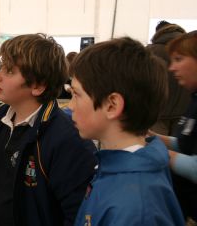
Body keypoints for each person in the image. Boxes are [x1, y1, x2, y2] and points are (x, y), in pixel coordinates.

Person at [0, 34, 97, 226]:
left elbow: (77, 213)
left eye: (9, 71)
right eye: (1, 67)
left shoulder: (68, 140)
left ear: (38, 86)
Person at [69, 37, 184, 226]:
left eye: (76, 94)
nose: (71, 106)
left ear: (112, 105)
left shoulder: (135, 208)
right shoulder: (120, 166)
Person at [151, 30, 197, 222]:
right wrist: (152, 137)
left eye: (179, 59)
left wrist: (152, 150)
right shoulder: (194, 100)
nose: (172, 68)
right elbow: (186, 144)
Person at [146, 21, 189, 135]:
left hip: (157, 112)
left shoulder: (150, 51)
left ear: (158, 33)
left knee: (156, 147)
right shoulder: (190, 50)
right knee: (181, 147)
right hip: (185, 113)